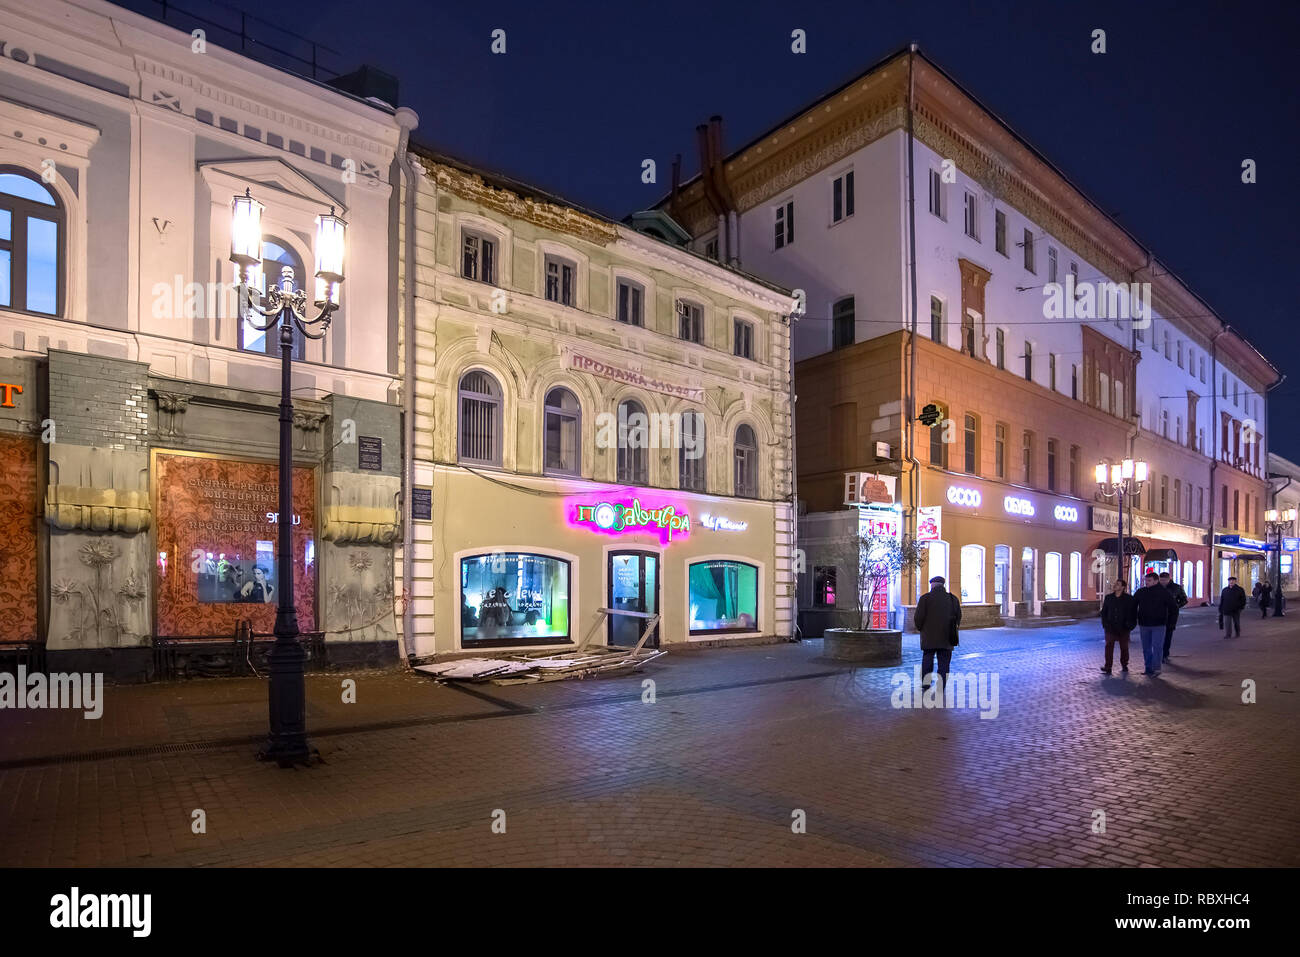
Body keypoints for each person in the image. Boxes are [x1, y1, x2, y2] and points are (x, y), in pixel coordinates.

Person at [914, 575, 961, 689]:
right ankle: (941, 685)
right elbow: (958, 617)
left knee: (928, 659)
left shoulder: (925, 598)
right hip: (947, 636)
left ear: (933, 585)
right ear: (943, 585)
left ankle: (926, 683)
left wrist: (921, 629)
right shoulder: (952, 598)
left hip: (929, 636)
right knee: (944, 663)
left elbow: (918, 617)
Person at [1133, 571, 1177, 677]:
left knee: (1157, 647)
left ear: (1156, 581)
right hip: (1144, 624)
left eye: (1149, 580)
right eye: (1145, 580)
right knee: (1146, 648)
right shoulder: (1141, 592)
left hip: (1159, 624)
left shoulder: (1164, 592)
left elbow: (1173, 608)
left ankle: (1156, 668)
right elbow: (1133, 605)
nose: (1146, 583)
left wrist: (1171, 623)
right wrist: (1134, 619)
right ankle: (1148, 668)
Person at [1099, 579, 1137, 675]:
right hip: (1110, 627)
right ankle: (1108, 667)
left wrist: (1130, 625)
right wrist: (1105, 624)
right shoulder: (1109, 598)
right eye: (1115, 583)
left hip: (1123, 627)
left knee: (1124, 647)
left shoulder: (1129, 599)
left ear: (1123, 587)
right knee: (1108, 647)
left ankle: (1124, 665)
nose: (1115, 585)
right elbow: (1104, 612)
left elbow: (1133, 613)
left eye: (1118, 584)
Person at [1159, 571, 1189, 663]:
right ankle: (1159, 654)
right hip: (1158, 615)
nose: (1163, 582)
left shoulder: (1176, 588)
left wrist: (1175, 606)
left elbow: (1184, 600)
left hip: (1171, 616)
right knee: (1158, 635)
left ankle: (1165, 654)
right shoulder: (1157, 588)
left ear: (1169, 579)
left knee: (1168, 635)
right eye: (1161, 580)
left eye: (1164, 580)